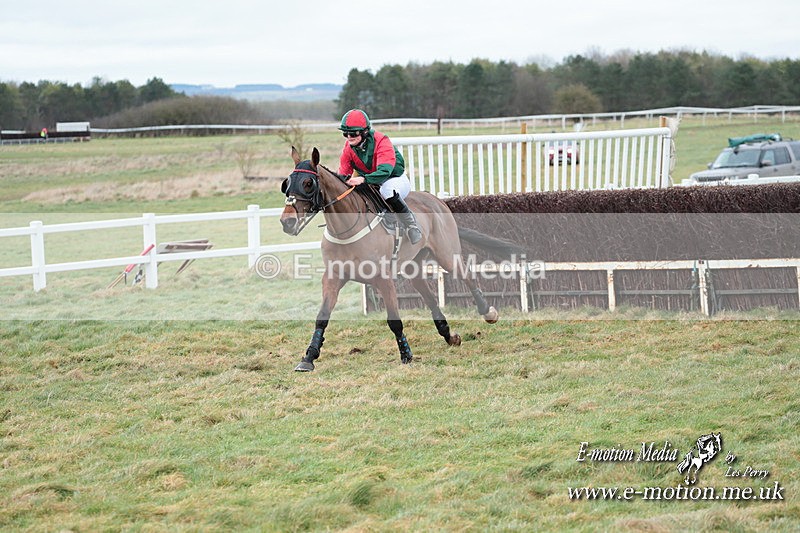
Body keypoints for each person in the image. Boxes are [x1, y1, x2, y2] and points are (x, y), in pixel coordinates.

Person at [338, 109, 422, 244]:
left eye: (353, 133)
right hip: (371, 181)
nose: (349, 137)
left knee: (386, 191)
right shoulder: (348, 148)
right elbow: (343, 173)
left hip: (394, 178)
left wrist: (363, 179)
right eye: (345, 133)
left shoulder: (382, 141)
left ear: (365, 132)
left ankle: (411, 225)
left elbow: (384, 171)